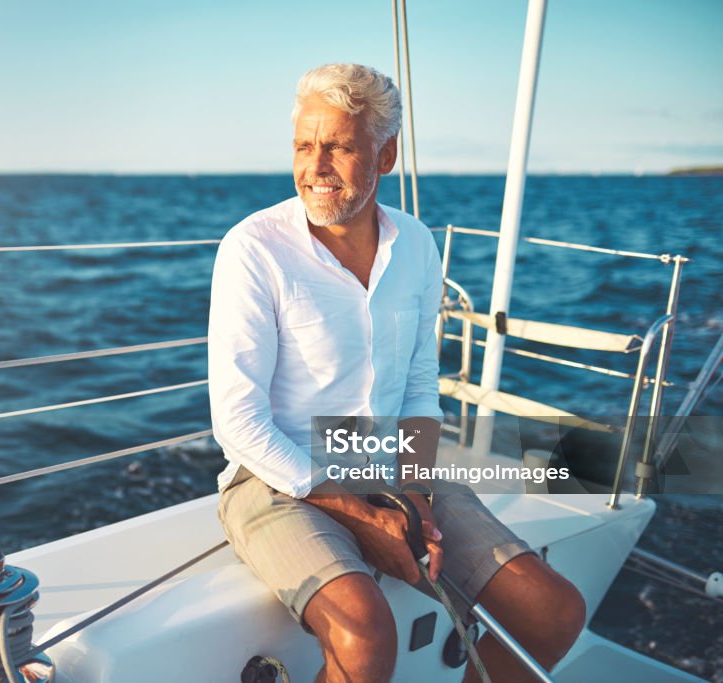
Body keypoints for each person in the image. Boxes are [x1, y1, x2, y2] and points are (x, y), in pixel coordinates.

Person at [209, 63, 586, 682]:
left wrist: (411, 494)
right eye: (305, 146)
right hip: (274, 476)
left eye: (340, 146)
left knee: (552, 611)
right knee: (364, 634)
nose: (316, 166)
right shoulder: (253, 249)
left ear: (385, 156)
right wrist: (367, 516)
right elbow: (239, 422)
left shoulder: (415, 244)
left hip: (388, 466)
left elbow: (417, 386)